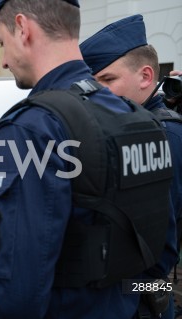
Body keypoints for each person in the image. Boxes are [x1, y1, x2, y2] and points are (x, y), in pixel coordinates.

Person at [0, 1, 172, 318]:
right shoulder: (140, 119)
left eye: (2, 43)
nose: (3, 61)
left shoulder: (30, 129)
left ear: (23, 28)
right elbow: (162, 259)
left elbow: (10, 298)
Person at [80, 15, 182, 319]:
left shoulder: (165, 136)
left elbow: (160, 254)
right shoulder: (120, 129)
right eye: (92, 82)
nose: (96, 93)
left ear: (146, 77)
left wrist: (121, 292)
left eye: (108, 80)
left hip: (142, 299)